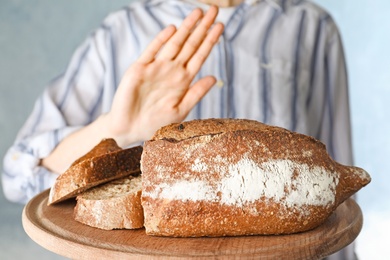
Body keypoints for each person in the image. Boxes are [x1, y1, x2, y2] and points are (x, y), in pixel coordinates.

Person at [2, 0, 354, 259]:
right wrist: (117, 128)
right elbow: (18, 174)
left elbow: (338, 188)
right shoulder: (120, 32)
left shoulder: (312, 28)